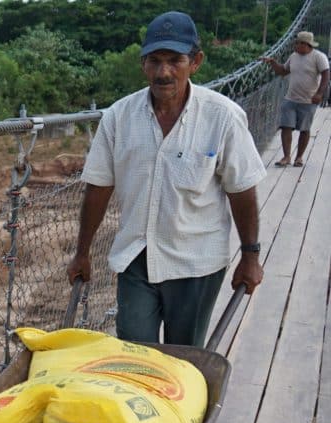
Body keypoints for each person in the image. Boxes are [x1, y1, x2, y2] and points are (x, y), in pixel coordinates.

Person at [66, 11, 266, 348]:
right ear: (143, 64)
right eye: (155, 61)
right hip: (136, 257)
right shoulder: (118, 117)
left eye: (175, 60)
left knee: (182, 358)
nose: (164, 72)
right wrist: (82, 251)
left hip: (197, 261)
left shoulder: (223, 117)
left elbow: (242, 191)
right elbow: (98, 187)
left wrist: (250, 256)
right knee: (135, 352)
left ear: (196, 62)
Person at [260, 31, 330, 167]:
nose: (294, 45)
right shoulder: (293, 56)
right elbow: (282, 71)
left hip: (308, 101)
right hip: (290, 99)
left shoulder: (318, 57)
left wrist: (319, 94)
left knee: (304, 129)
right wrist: (273, 63)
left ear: (305, 44)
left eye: (297, 43)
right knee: (286, 126)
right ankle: (286, 157)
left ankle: (299, 157)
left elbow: (326, 75)